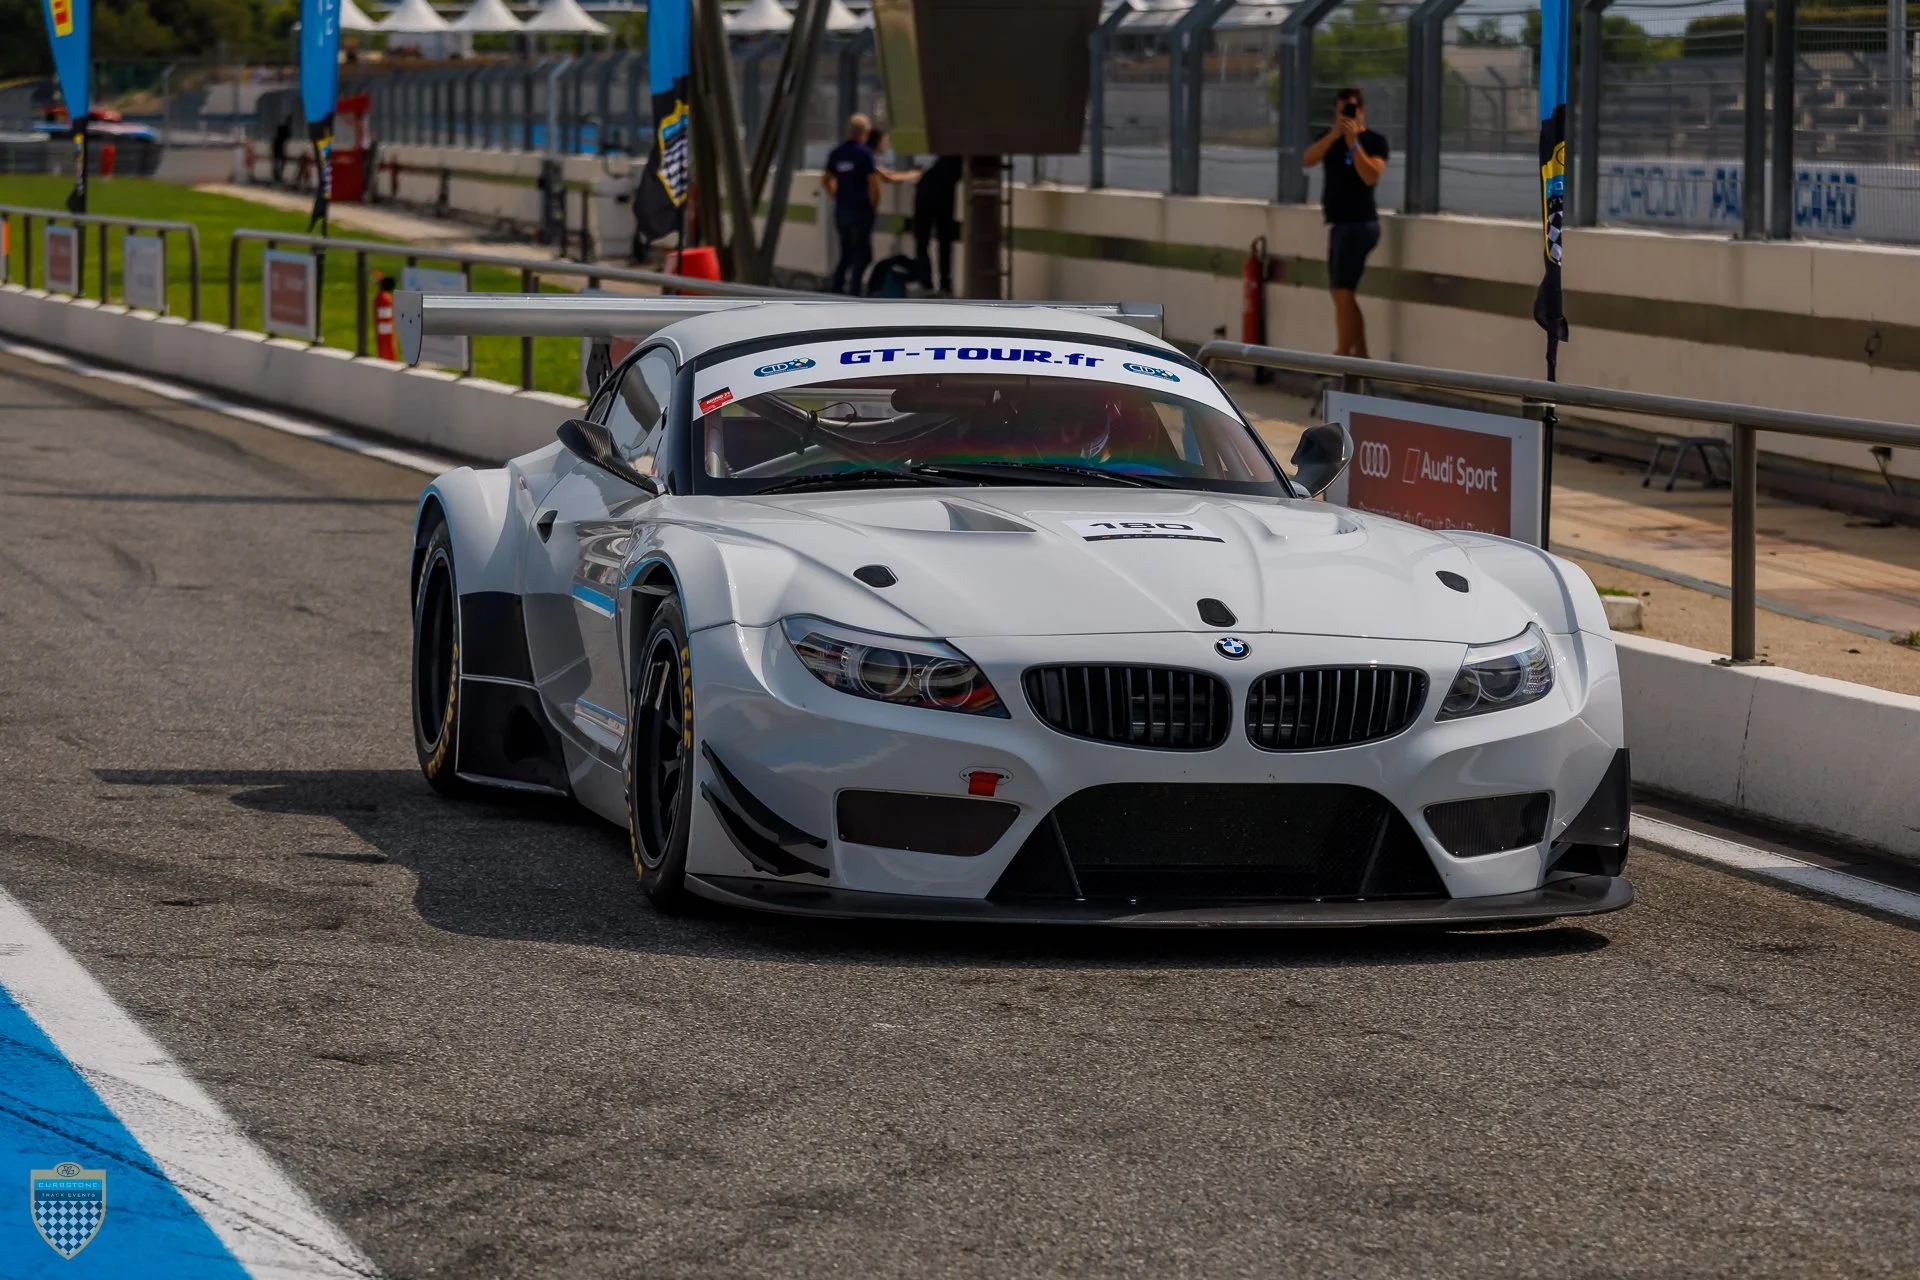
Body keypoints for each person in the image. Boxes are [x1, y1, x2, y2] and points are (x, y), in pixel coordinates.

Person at [1301, 87, 1388, 358]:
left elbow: (1371, 176)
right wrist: (1335, 135)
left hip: (1360, 224)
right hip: (1339, 225)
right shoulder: (1331, 140)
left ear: (1361, 110)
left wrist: (1354, 143)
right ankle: (1362, 358)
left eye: (1350, 109)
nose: (1346, 115)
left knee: (1341, 293)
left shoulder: (1373, 141)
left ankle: (1342, 356)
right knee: (1345, 296)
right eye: (1341, 110)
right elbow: (1308, 158)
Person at [822, 114, 881, 295]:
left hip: (842, 210)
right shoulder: (865, 154)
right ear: (865, 133)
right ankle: (854, 292)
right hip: (861, 209)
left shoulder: (837, 153)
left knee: (846, 253)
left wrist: (836, 195)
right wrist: (873, 205)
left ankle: (837, 288)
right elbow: (873, 183)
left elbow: (826, 180)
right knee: (862, 255)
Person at [912, 155, 962, 295]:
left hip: (925, 196)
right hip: (944, 198)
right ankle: (944, 283)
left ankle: (926, 281)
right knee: (944, 242)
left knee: (923, 241)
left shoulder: (942, 163)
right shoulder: (957, 161)